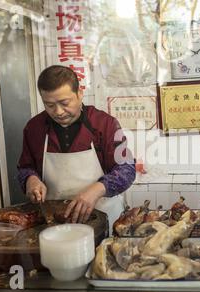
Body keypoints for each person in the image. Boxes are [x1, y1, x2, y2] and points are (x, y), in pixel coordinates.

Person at [17, 65, 135, 225]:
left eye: (64, 103)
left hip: (103, 217)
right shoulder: (34, 128)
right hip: (54, 221)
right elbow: (25, 168)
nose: (58, 112)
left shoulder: (105, 124)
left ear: (79, 94)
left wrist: (97, 189)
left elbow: (127, 169)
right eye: (49, 105)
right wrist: (30, 179)